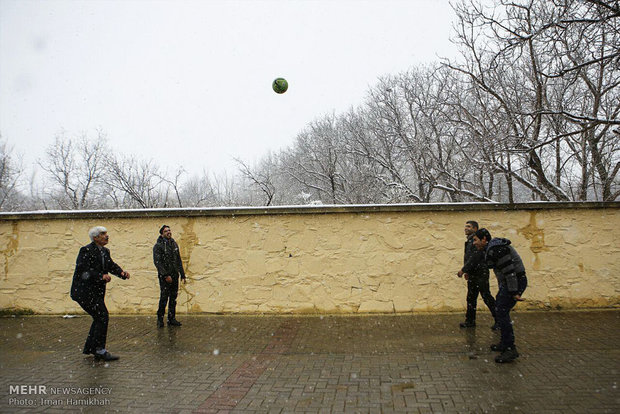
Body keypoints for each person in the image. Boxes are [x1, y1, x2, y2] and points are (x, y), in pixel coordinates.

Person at [70, 226, 130, 361]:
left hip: (96, 292)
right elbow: (83, 269)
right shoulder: (86, 250)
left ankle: (92, 348)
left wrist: (121, 273)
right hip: (84, 292)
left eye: (106, 233)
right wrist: (100, 276)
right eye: (103, 234)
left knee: (99, 317)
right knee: (102, 316)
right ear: (95, 237)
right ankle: (99, 350)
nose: (106, 236)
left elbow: (110, 265)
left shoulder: (105, 251)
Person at [473, 228, 528, 363]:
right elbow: (501, 272)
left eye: (476, 240)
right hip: (510, 283)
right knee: (500, 311)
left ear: (484, 239)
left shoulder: (497, 249)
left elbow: (509, 272)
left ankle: (510, 349)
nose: (474, 243)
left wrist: (514, 292)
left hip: (514, 281)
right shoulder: (491, 249)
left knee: (502, 312)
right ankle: (505, 343)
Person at [457, 220, 498, 329]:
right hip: (475, 273)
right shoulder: (471, 241)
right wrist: (468, 272)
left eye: (469, 226)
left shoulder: (476, 241)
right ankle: (470, 321)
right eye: (465, 226)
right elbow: (471, 258)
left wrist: (464, 270)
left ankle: (499, 319)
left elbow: (475, 258)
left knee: (486, 297)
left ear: (475, 229)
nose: (466, 228)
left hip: (480, 273)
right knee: (471, 298)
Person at [153, 225, 186, 328]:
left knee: (173, 298)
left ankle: (171, 318)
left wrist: (182, 274)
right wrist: (165, 275)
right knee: (164, 297)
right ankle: (160, 318)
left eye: (169, 230)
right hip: (165, 277)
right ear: (162, 233)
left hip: (174, 275)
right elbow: (158, 263)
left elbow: (178, 260)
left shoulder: (174, 244)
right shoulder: (158, 246)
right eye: (166, 231)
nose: (169, 232)